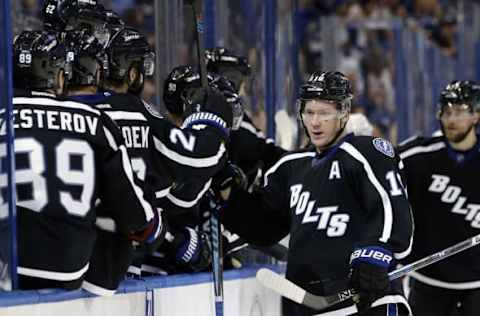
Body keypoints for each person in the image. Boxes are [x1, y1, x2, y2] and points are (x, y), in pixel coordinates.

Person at [219, 71, 413, 315]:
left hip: (367, 301)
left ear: (344, 112)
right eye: (309, 112)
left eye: (324, 113)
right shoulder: (291, 166)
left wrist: (373, 260)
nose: (315, 122)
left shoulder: (367, 152)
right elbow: (264, 228)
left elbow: (390, 207)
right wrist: (227, 190)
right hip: (309, 304)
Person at [9, 30, 163, 291]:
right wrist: (156, 230)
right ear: (60, 76)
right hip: (72, 268)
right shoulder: (94, 120)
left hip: (10, 267)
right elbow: (138, 219)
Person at [398, 80, 480, 316]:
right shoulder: (418, 155)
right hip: (429, 279)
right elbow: (375, 174)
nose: (451, 119)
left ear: (476, 116)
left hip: (477, 283)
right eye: (446, 112)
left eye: (459, 112)